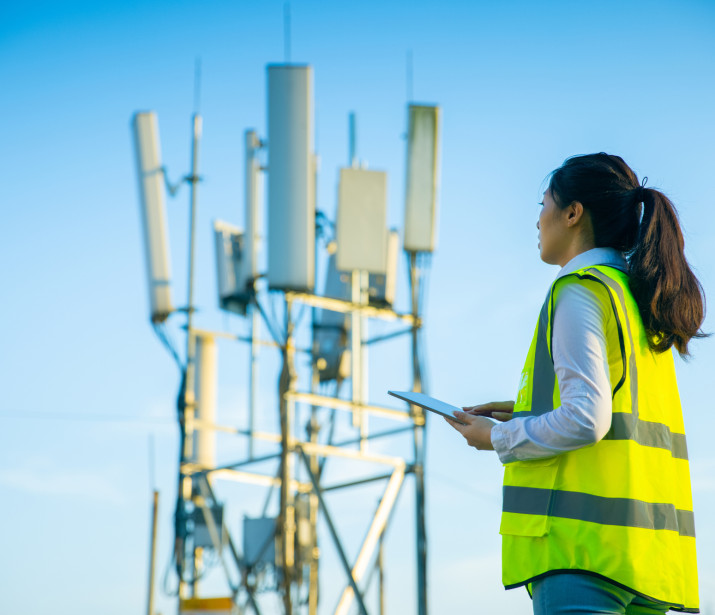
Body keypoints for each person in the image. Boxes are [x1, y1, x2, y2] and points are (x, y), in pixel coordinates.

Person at [447, 153, 704, 614]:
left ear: (572, 213)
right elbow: (618, 408)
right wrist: (524, 411)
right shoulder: (636, 300)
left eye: (543, 202)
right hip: (644, 562)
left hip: (582, 559)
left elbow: (588, 417)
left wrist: (498, 437)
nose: (537, 217)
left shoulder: (580, 289)